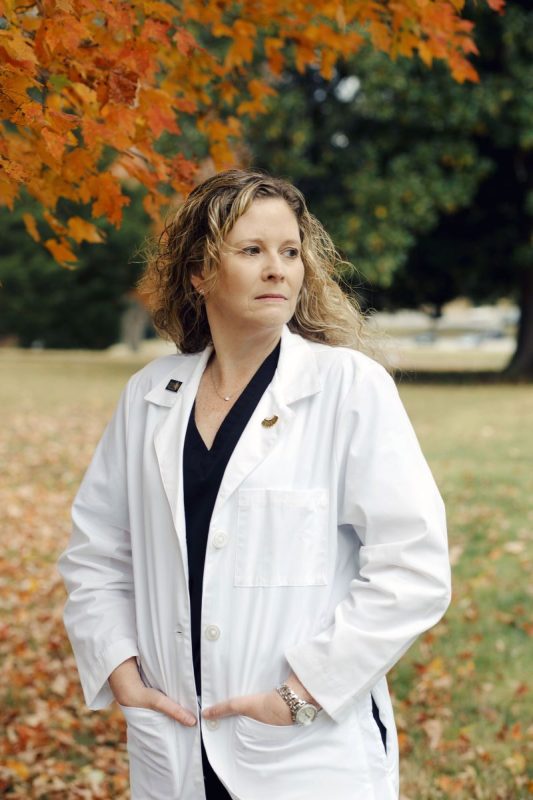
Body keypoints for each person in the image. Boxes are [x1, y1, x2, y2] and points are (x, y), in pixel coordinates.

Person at [57, 168, 452, 800]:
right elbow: (97, 553)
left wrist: (303, 694)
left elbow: (413, 568)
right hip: (175, 742)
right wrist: (120, 668)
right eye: (252, 251)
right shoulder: (151, 395)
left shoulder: (348, 387)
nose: (278, 270)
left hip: (302, 749)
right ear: (199, 272)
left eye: (290, 252)